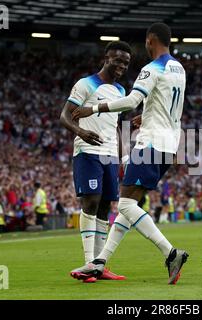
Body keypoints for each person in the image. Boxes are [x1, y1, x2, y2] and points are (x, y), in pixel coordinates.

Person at [71, 22, 189, 285]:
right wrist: (144, 116)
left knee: (125, 204)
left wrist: (94, 109)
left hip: (150, 144)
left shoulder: (151, 68)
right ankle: (99, 261)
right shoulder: (179, 68)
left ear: (150, 40)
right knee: (130, 206)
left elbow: (131, 100)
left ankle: (170, 253)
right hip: (170, 145)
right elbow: (163, 102)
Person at [60, 41, 132, 283]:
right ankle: (88, 263)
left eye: (125, 62)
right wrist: (80, 132)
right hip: (87, 152)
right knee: (90, 202)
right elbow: (64, 115)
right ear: (106, 57)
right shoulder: (85, 84)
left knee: (105, 207)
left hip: (110, 155)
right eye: (118, 60)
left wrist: (123, 156)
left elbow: (117, 126)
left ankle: (100, 265)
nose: (121, 65)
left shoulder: (121, 91)